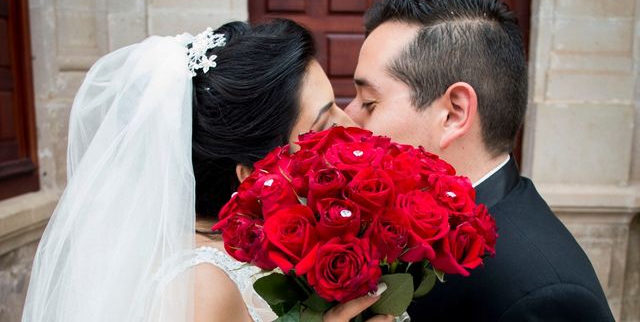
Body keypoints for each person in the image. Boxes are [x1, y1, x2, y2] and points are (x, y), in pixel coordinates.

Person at [22, 19, 392, 322]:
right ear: (253, 176)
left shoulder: (262, 246)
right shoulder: (202, 285)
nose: (353, 126)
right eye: (325, 123)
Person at [345, 0, 615, 321]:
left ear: (454, 113)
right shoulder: (407, 223)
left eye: (369, 102)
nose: (348, 117)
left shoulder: (544, 295)